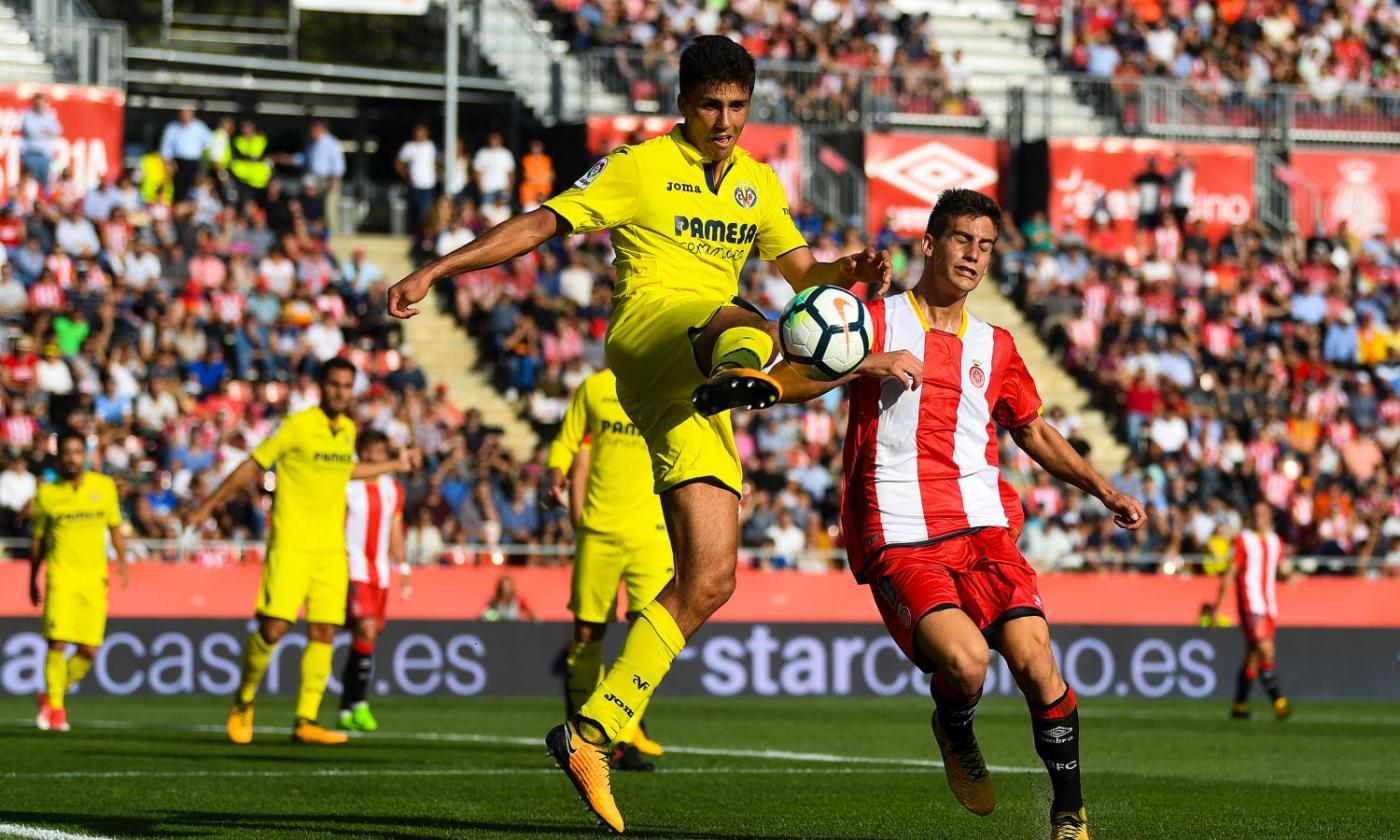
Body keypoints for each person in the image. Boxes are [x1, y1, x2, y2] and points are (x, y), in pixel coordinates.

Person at [387, 36, 891, 832]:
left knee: (711, 578)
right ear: (682, 104)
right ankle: (753, 375)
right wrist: (436, 270)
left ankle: (593, 733)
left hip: (685, 392)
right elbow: (539, 223)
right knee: (748, 325)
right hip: (650, 331)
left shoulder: (758, 187)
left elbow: (806, 276)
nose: (723, 122)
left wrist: (849, 270)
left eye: (736, 107)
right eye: (708, 107)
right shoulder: (638, 166)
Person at [774, 189, 1147, 840]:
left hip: (983, 525)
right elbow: (796, 375)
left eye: (985, 245)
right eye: (960, 240)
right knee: (967, 662)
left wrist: (1103, 489)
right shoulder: (877, 320)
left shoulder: (997, 344)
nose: (974, 255)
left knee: (1036, 660)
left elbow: (1031, 431)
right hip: (900, 528)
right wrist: (869, 361)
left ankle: (1070, 813)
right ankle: (954, 725)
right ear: (929, 244)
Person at [183, 358, 418, 746]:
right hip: (291, 543)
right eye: (335, 385)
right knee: (273, 628)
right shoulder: (297, 426)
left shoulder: (346, 430)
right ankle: (243, 702)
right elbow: (252, 466)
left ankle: (306, 719)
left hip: (330, 549)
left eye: (348, 385)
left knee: (325, 630)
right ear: (321, 386)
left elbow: (345, 471)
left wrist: (394, 464)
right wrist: (208, 506)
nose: (341, 392)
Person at [544, 367, 671, 773]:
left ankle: (619, 735)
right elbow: (566, 441)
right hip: (598, 530)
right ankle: (580, 731)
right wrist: (554, 476)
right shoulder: (595, 388)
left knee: (649, 631)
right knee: (586, 631)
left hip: (652, 533)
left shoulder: (667, 384)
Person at [29, 429, 128, 732]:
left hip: (93, 579)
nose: (72, 458)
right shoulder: (47, 494)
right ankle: (57, 710)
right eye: (66, 452)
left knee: (89, 650)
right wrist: (32, 578)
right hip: (60, 577)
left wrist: (123, 562)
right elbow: (39, 539)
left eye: (77, 452)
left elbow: (114, 526)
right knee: (57, 642)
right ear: (59, 456)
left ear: (85, 455)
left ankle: (51, 693)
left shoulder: (104, 487)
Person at [336, 428, 407, 733]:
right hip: (353, 569)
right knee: (364, 627)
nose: (376, 455)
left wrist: (403, 567)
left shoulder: (393, 489)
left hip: (380, 572)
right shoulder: (346, 483)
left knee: (366, 639)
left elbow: (394, 530)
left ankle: (346, 707)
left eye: (381, 450)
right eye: (372, 450)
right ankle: (361, 704)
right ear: (363, 451)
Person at [1210, 500, 1292, 722]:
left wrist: (1291, 575)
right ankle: (1279, 701)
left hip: (1269, 605)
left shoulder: (1276, 541)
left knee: (1253, 656)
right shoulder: (1243, 540)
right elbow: (1230, 574)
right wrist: (1217, 607)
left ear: (1269, 517)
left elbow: (1280, 569)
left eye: (1263, 514)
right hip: (1250, 603)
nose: (1259, 517)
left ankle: (1239, 705)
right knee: (1265, 648)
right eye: (1255, 513)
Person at [159, 107, 213, 203]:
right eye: (183, 113)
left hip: (194, 162)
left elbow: (210, 140)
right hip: (178, 162)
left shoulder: (199, 126)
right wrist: (169, 161)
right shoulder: (173, 127)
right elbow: (165, 146)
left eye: (187, 113)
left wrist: (202, 150)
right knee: (179, 189)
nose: (185, 116)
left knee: (195, 189)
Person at [395, 123, 438, 230]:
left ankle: (425, 233)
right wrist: (407, 176)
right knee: (416, 210)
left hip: (429, 184)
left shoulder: (431, 146)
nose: (420, 134)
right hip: (415, 185)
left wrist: (437, 174)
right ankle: (417, 233)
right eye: (418, 131)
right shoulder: (409, 146)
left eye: (422, 131)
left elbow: (437, 161)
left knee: (426, 211)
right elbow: (398, 163)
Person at [20, 93, 61, 188]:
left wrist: (43, 129)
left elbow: (57, 130)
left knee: (45, 184)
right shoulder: (27, 115)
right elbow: (32, 131)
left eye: (41, 103)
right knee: (29, 184)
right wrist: (46, 130)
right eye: (37, 103)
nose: (39, 105)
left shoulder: (49, 115)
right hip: (31, 155)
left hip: (46, 156)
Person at [472, 131, 516, 209]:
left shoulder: (505, 154)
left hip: (502, 190)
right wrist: (481, 189)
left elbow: (511, 173)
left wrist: (508, 190)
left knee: (503, 215)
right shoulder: (482, 153)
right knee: (486, 214)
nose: (494, 141)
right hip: (487, 191)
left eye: (496, 139)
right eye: (492, 139)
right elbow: (477, 171)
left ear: (501, 140)